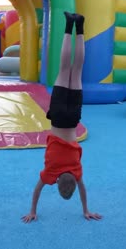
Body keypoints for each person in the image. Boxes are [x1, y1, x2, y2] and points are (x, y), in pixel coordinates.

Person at [22, 12, 102, 223]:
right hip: (58, 118)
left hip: (73, 117)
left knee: (76, 70)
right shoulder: (50, 173)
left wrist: (86, 208)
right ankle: (69, 24)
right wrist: (32, 211)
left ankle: (80, 26)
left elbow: (83, 189)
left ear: (73, 182)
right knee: (65, 68)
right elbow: (37, 190)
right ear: (57, 183)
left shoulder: (77, 172)